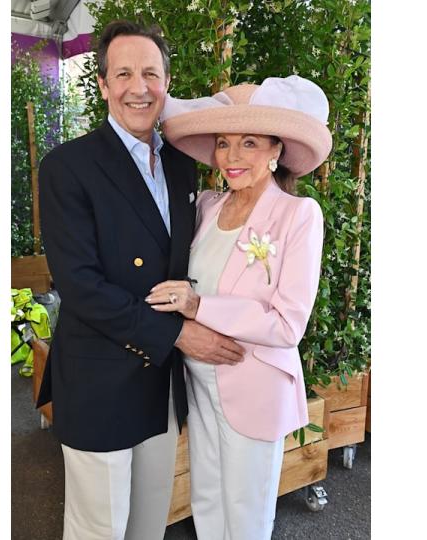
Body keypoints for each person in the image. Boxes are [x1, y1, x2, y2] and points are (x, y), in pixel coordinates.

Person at [35, 20, 245, 540]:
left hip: (160, 382)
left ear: (166, 84)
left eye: (151, 73)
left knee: (149, 523)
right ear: (103, 84)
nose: (138, 86)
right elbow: (80, 285)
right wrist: (177, 332)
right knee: (99, 528)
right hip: (100, 379)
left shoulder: (180, 164)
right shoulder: (67, 166)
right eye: (123, 73)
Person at [148, 75, 332, 539]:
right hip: (199, 380)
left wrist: (197, 306)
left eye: (249, 143)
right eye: (225, 143)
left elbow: (288, 324)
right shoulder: (207, 206)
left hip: (254, 383)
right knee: (207, 499)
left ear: (276, 151)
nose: (231, 157)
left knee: (246, 512)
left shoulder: (298, 214)